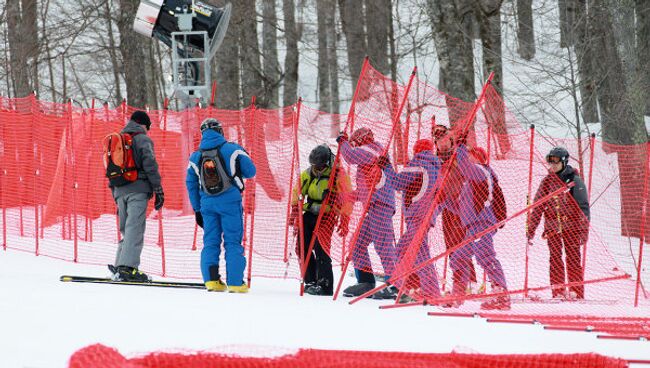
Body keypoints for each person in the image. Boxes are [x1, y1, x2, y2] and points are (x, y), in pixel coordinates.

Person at [186, 118, 256, 293]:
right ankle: (235, 283)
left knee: (210, 241)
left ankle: (211, 281)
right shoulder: (233, 149)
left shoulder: (195, 157)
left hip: (207, 206)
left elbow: (191, 184)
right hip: (230, 203)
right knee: (233, 241)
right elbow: (251, 171)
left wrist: (197, 209)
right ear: (220, 131)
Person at [447, 142, 510, 310]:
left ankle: (501, 295)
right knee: (458, 257)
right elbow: (460, 209)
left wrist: (460, 148)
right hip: (471, 228)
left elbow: (464, 166)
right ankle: (458, 294)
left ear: (478, 158)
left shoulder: (482, 171)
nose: (468, 157)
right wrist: (445, 200)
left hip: (482, 224)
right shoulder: (469, 183)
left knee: (485, 256)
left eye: (471, 155)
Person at [337, 127, 398, 298]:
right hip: (373, 208)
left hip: (381, 206)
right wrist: (345, 196)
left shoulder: (372, 150)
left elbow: (350, 156)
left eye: (356, 143)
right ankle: (365, 281)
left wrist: (343, 141)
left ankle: (394, 283)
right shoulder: (369, 157)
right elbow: (365, 190)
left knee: (383, 246)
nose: (355, 146)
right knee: (356, 244)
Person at [378, 139, 442, 302]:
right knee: (407, 251)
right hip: (425, 216)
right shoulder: (437, 168)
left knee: (413, 253)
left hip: (417, 215)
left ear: (417, 150)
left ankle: (428, 291)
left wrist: (386, 165)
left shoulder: (418, 164)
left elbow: (397, 182)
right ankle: (409, 287)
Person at [526, 147, 589, 300]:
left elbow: (583, 207)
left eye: (556, 162)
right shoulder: (547, 181)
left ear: (564, 162)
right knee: (555, 259)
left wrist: (583, 231)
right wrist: (531, 228)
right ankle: (558, 291)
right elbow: (538, 206)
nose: (552, 166)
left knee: (573, 258)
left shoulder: (574, 180)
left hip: (571, 226)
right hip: (552, 227)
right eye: (550, 162)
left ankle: (576, 292)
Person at [290, 144, 352, 296]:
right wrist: (295, 210)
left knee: (321, 247)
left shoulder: (338, 175)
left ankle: (325, 284)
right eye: (314, 166)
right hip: (310, 213)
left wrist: (344, 217)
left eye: (320, 166)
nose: (317, 169)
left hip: (327, 215)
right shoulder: (308, 174)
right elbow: (297, 192)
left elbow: (347, 197)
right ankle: (310, 279)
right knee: (302, 247)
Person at [109, 110, 164, 282]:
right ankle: (128, 268)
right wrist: (158, 189)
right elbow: (150, 165)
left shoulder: (117, 139)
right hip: (137, 189)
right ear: (143, 124)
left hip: (119, 190)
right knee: (135, 228)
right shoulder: (142, 139)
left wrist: (115, 193)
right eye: (147, 127)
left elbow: (110, 169)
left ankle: (120, 265)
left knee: (127, 228)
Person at [432, 125, 479, 294]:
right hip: (446, 206)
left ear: (449, 138)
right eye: (437, 140)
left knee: (461, 245)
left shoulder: (457, 156)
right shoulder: (436, 159)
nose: (441, 142)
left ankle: (470, 282)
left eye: (443, 138)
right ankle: (459, 282)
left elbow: (470, 169)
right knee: (450, 245)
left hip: (460, 205)